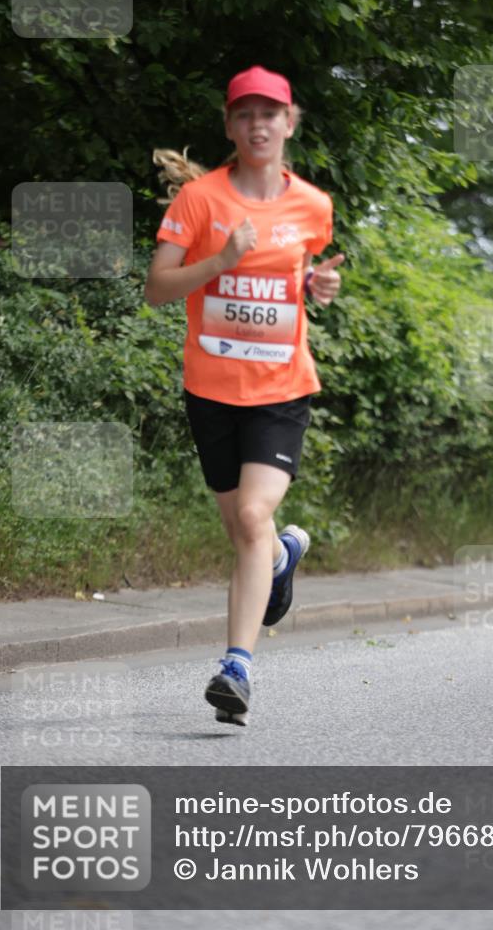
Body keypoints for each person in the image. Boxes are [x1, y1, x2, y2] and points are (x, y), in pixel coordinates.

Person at [144, 66, 344, 727]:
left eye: (271, 114)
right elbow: (158, 288)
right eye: (245, 115)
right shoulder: (199, 201)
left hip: (282, 387)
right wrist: (220, 261)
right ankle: (284, 559)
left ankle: (236, 668)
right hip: (211, 388)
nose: (259, 125)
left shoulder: (312, 206)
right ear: (230, 127)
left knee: (253, 517)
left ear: (290, 123)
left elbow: (293, 274)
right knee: (241, 529)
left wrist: (312, 284)